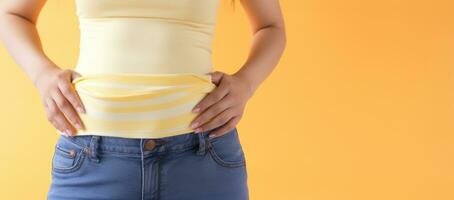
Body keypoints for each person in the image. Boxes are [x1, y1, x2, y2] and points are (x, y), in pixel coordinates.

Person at [0, 0, 286, 199]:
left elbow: (271, 26)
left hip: (201, 159)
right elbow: (13, 13)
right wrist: (42, 74)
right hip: (90, 158)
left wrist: (246, 84)